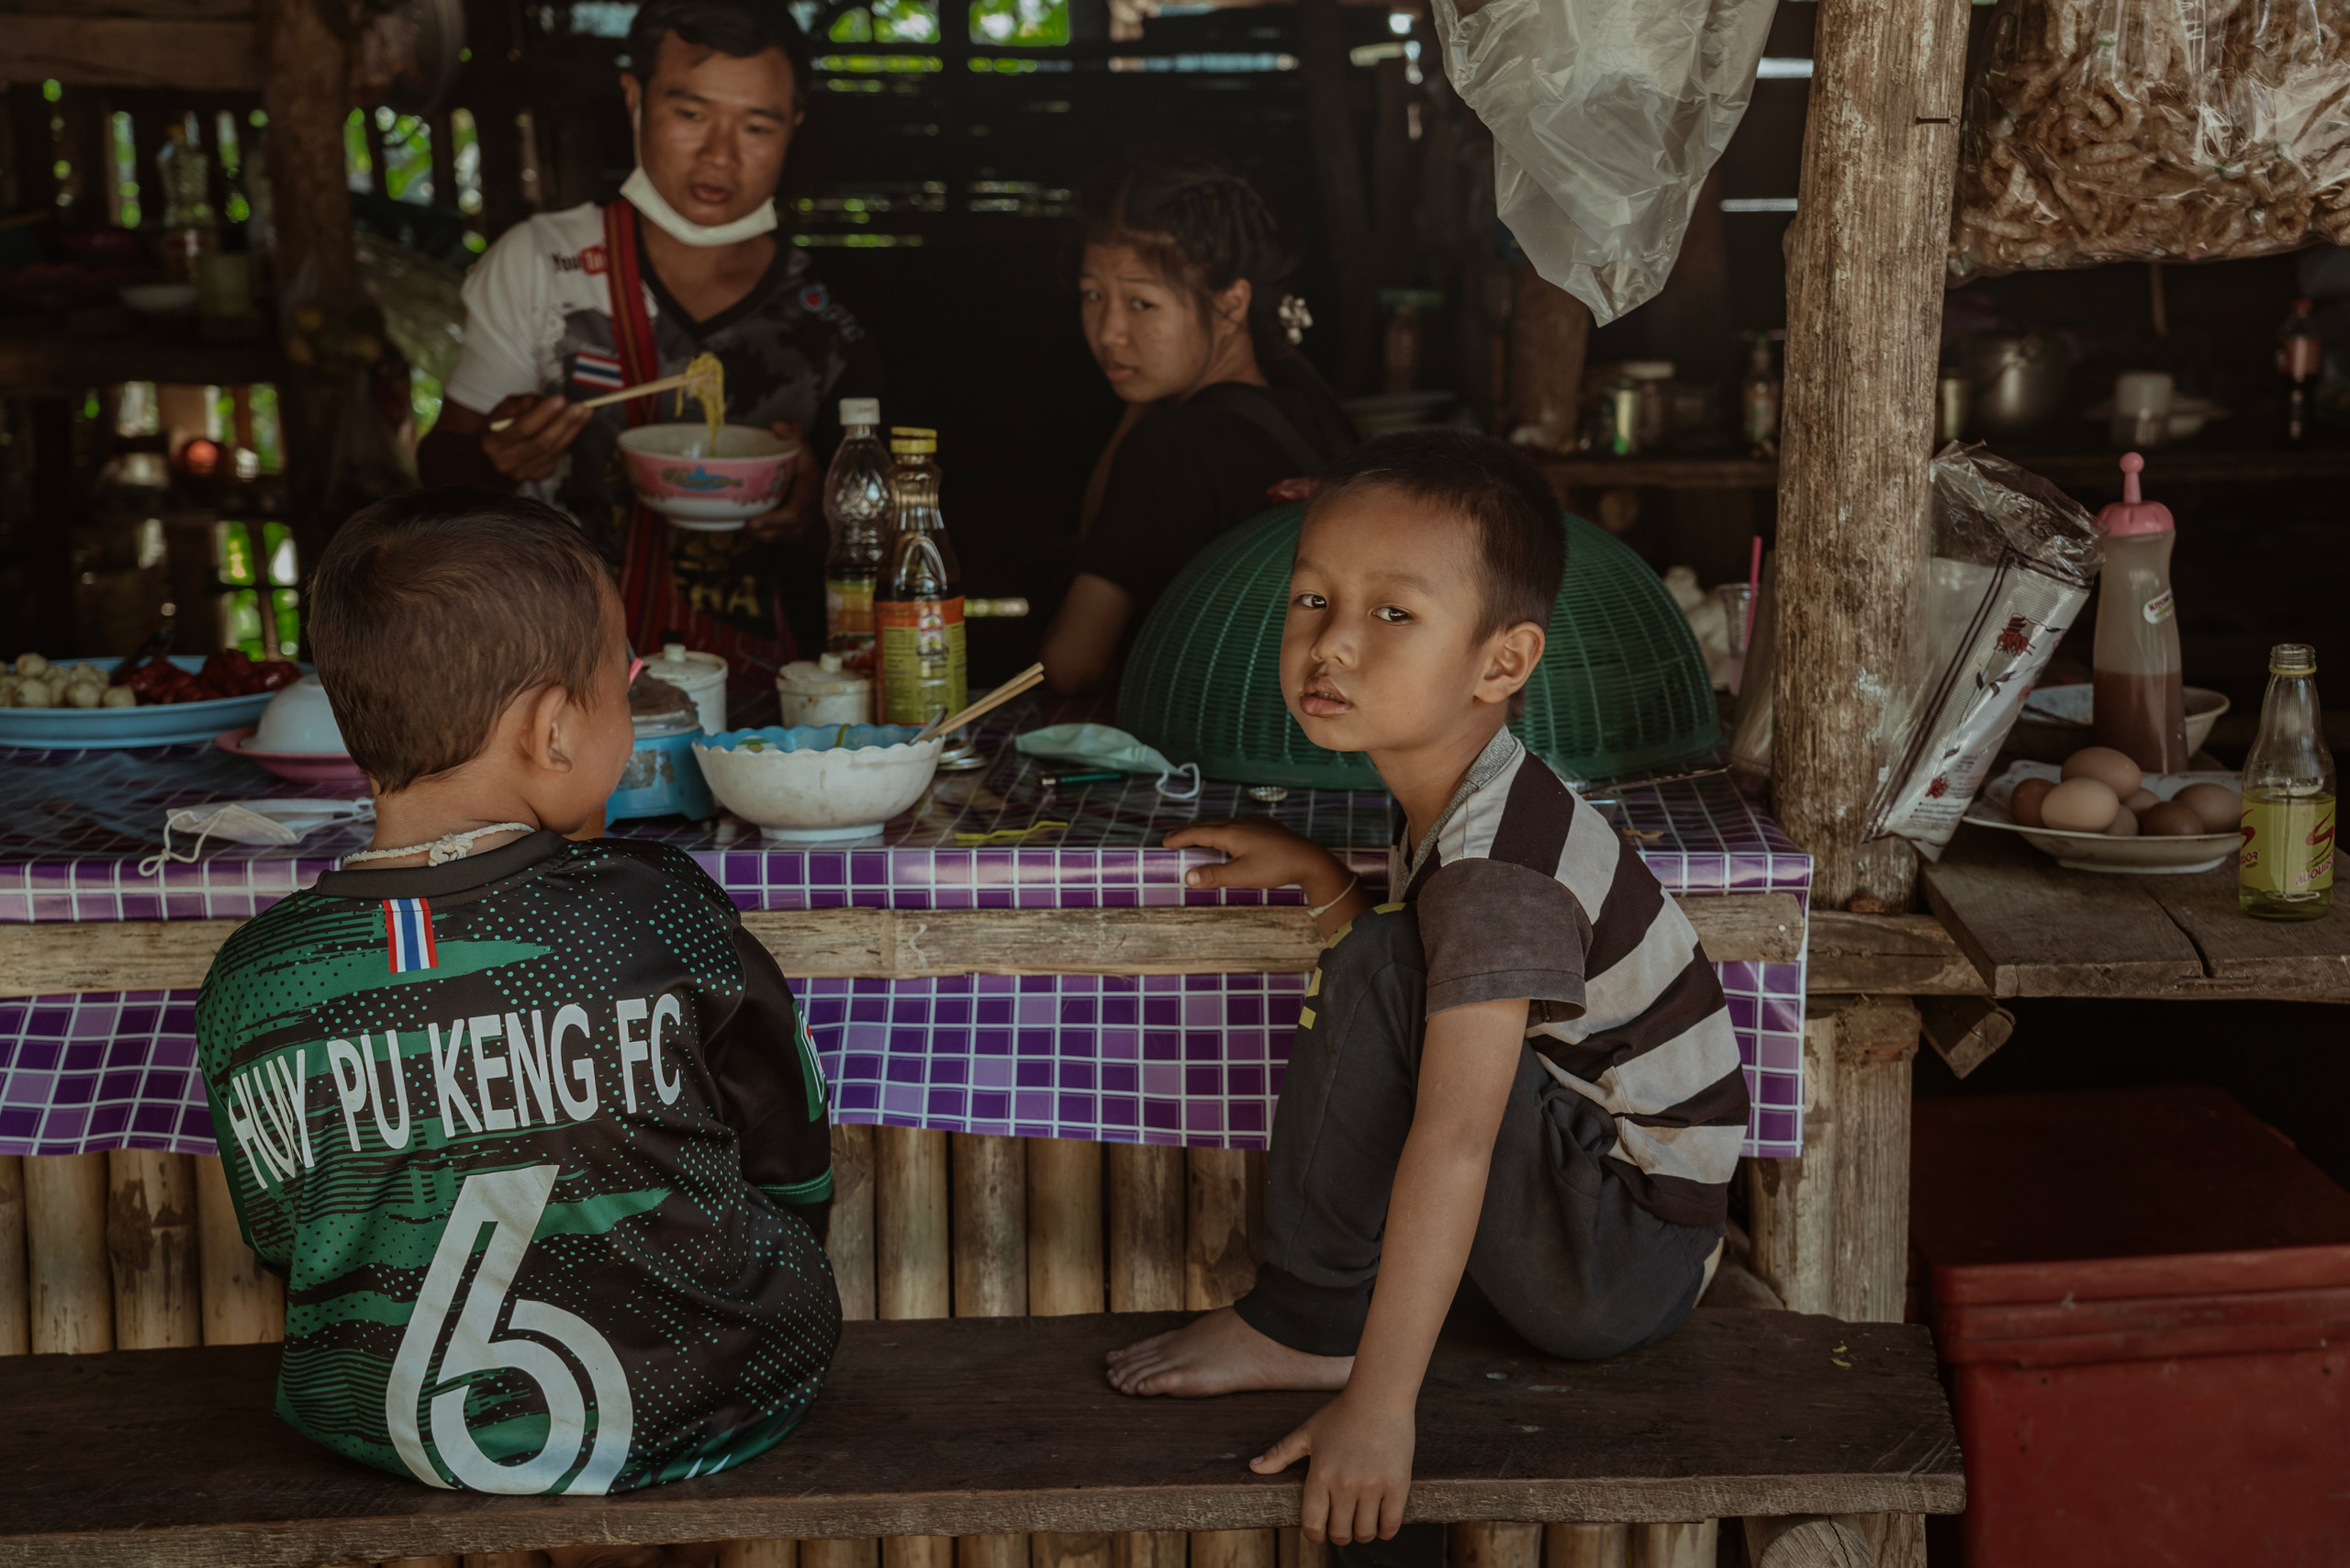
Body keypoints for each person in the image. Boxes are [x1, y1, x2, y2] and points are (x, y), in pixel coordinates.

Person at [1104, 432, 1745, 1549]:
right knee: (1389, 950)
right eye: (1312, 599)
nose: (1332, 642)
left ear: (1503, 662)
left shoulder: (1498, 863)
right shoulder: (1476, 801)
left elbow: (1455, 1134)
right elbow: (1428, 1010)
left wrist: (1378, 1407)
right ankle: (1326, 1323)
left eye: (1392, 614)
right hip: (1605, 1230)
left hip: (1613, 1257)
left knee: (1386, 957)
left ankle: (1310, 1324)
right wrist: (1321, 881)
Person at [195, 489, 839, 1522]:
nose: (632, 706)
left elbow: (289, 1241)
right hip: (718, 1404)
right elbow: (792, 1164)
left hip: (386, 1428)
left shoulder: (258, 975)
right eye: (626, 680)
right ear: (550, 729)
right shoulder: (659, 911)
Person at [418, 0, 882, 692]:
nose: (720, 155)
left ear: (794, 128)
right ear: (635, 97)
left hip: (781, 689)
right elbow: (438, 472)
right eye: (690, 114)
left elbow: (893, 509)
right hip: (561, 680)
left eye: (757, 126)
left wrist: (819, 502)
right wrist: (495, 455)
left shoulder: (830, 297)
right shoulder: (545, 262)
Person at [1040, 151, 1357, 693]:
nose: (1110, 331)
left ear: (1232, 304)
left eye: (1141, 303)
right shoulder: (1312, 412)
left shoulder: (1174, 447)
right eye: (1093, 295)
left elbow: (1071, 664)